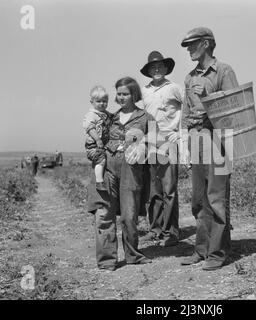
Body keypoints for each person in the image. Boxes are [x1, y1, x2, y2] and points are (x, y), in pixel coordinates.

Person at [179, 27, 239, 271]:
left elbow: (233, 109)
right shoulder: (189, 77)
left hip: (218, 140)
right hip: (196, 141)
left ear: (205, 44)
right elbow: (185, 113)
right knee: (198, 200)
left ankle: (217, 253)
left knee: (216, 199)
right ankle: (202, 249)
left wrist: (208, 97)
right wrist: (184, 145)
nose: (189, 50)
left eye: (192, 45)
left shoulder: (224, 71)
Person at [86, 77, 151, 271]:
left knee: (129, 215)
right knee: (103, 213)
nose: (121, 97)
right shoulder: (108, 117)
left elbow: (158, 139)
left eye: (125, 94)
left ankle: (132, 255)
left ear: (134, 94)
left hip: (132, 170)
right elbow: (92, 137)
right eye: (119, 94)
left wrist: (144, 145)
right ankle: (107, 260)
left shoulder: (145, 117)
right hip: (107, 168)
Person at [140, 51, 183, 247]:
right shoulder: (144, 91)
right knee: (153, 189)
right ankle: (155, 229)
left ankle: (171, 232)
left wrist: (180, 133)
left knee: (169, 189)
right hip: (150, 140)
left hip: (168, 138)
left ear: (166, 68)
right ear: (149, 71)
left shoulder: (174, 88)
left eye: (160, 66)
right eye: (152, 67)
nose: (156, 69)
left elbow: (187, 110)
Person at [82, 85, 112, 192]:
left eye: (104, 101)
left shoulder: (106, 114)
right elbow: (90, 128)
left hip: (102, 145)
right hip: (93, 145)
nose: (102, 103)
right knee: (101, 160)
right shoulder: (91, 115)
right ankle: (99, 182)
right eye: (98, 101)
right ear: (92, 102)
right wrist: (97, 139)